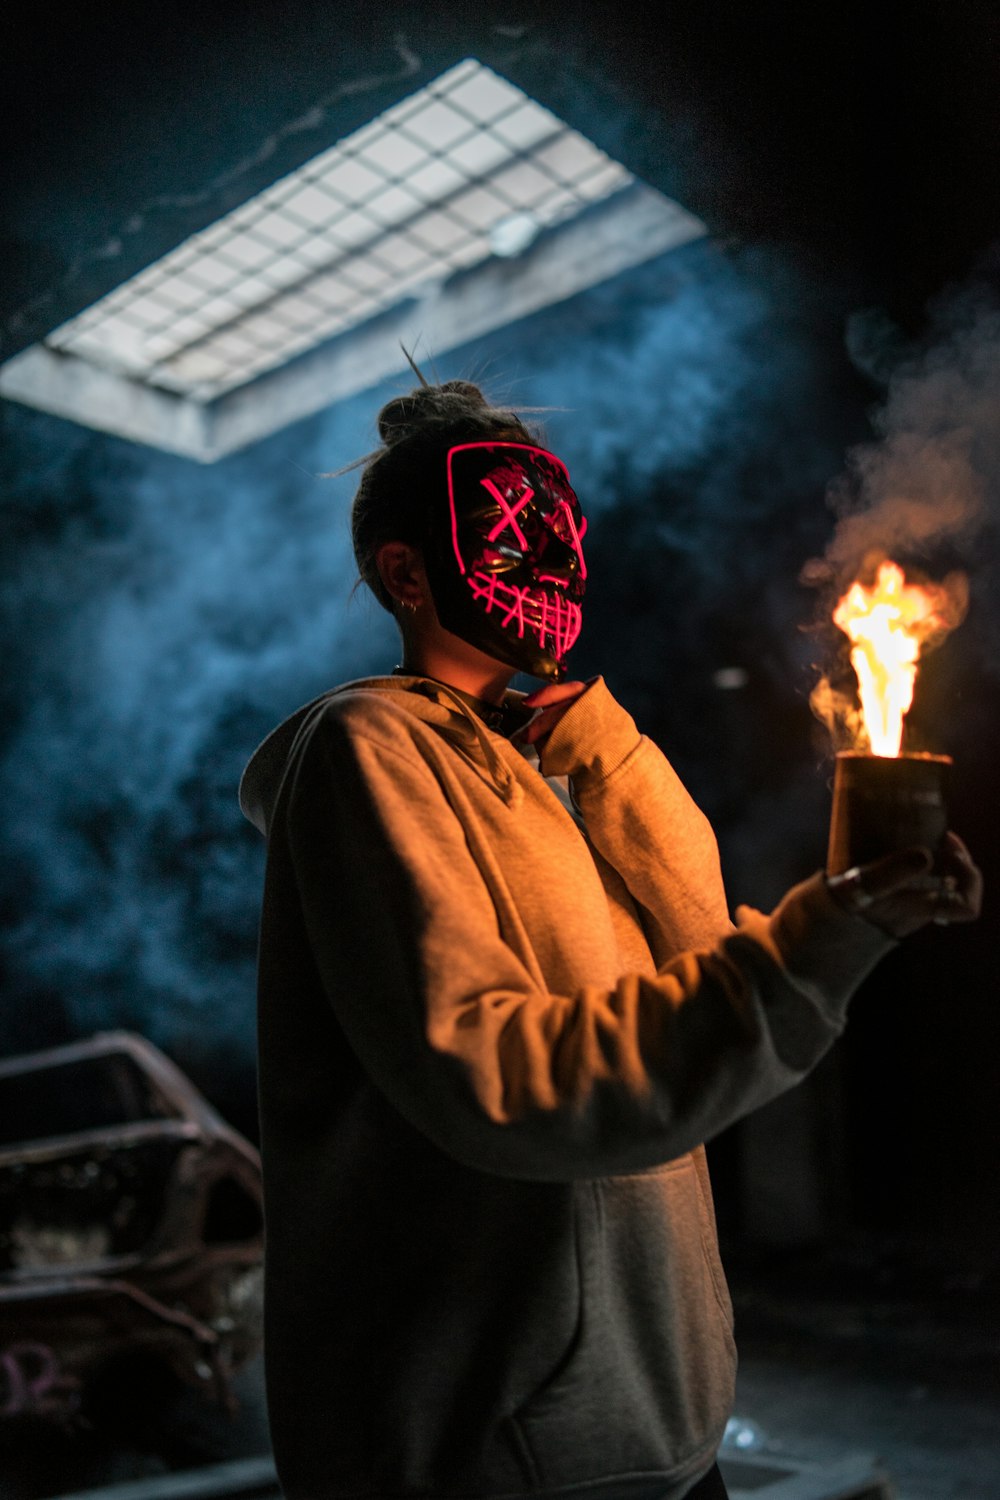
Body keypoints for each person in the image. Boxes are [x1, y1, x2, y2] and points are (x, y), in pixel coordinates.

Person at [239, 380, 980, 1500]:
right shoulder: (367, 752)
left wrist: (618, 760)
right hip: (502, 1464)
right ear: (405, 573)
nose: (554, 557)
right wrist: (812, 946)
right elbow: (499, 1079)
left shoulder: (554, 772)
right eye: (514, 533)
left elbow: (703, 988)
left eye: (562, 529)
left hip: (654, 1442)